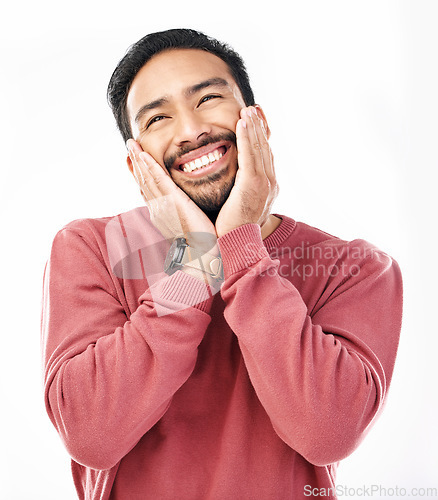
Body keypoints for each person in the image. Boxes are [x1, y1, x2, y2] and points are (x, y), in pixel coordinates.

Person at [41, 28, 403, 500]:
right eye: (157, 119)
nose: (191, 131)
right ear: (137, 163)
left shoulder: (354, 267)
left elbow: (327, 433)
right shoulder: (90, 248)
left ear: (258, 122)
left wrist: (239, 245)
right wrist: (194, 260)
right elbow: (91, 434)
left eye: (208, 98)